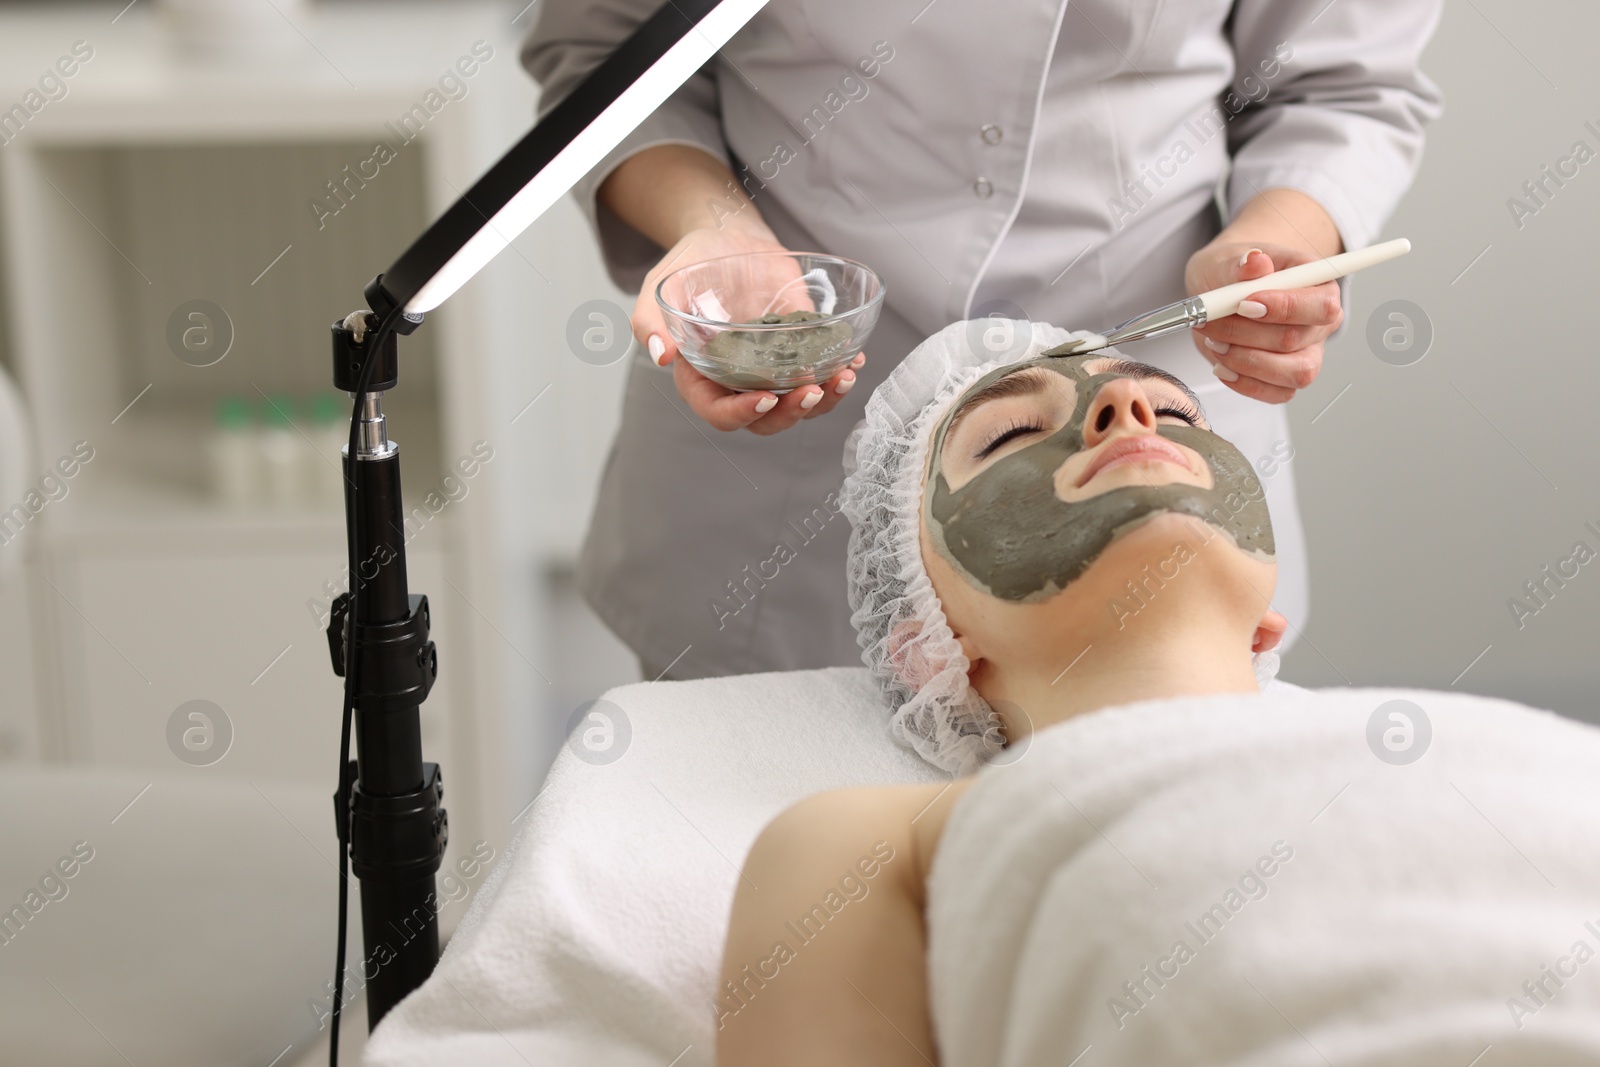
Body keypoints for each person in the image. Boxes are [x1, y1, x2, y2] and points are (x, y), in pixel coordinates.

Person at [713, 324, 1600, 1065]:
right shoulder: (873, 843)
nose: (1128, 409)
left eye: (1174, 410)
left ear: (1267, 618)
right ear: (931, 641)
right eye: (1012, 435)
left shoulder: (1456, 738)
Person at [521, 0, 1444, 680]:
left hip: (1153, 316)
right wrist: (712, 227)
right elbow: (603, 53)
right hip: (786, 471)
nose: (1113, 413)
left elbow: (1341, 84)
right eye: (1004, 433)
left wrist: (1275, 248)